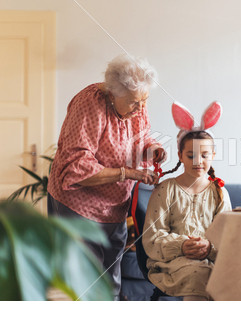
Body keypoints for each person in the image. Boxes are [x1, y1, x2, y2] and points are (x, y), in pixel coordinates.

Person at [47, 54, 166, 300]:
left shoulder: (135, 104)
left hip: (115, 205)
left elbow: (140, 138)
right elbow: (77, 166)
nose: (141, 107)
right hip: (78, 204)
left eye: (145, 100)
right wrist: (128, 173)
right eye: (135, 101)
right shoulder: (89, 105)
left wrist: (152, 149)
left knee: (111, 278)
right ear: (113, 94)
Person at [142, 101, 231, 301]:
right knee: (197, 274)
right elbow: (152, 238)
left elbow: (229, 237)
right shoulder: (165, 190)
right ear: (181, 155)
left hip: (213, 261)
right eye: (191, 156)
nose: (198, 161)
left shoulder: (219, 192)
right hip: (172, 263)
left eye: (205, 155)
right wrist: (181, 246)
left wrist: (210, 248)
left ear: (213, 156)